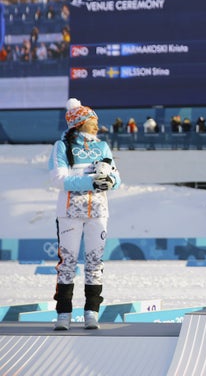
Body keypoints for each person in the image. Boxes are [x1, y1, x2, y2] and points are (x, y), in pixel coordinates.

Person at [48, 99, 121, 330]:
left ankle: (92, 311)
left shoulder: (103, 147)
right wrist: (92, 181)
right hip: (70, 212)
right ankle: (63, 313)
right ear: (79, 122)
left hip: (98, 211)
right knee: (67, 262)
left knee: (94, 262)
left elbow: (117, 179)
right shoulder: (62, 146)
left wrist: (109, 181)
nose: (97, 125)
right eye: (93, 120)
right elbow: (58, 180)